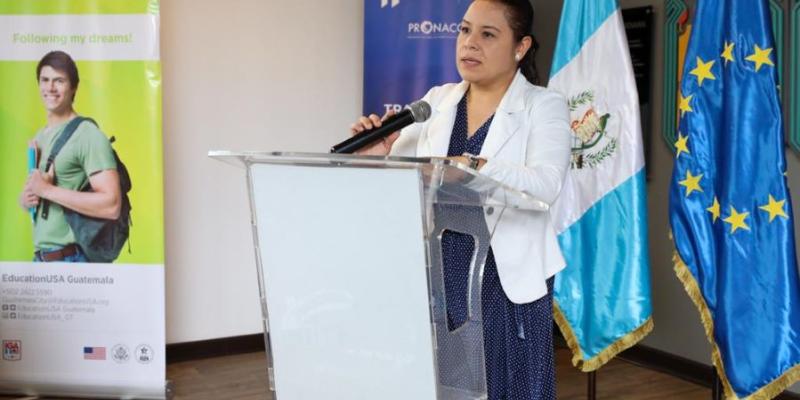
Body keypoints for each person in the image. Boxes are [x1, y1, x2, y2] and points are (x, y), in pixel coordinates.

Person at [350, 1, 571, 398]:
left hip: (502, 275)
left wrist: (471, 166)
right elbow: (404, 181)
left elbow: (546, 183)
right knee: (447, 384)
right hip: (440, 268)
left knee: (507, 386)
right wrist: (378, 156)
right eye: (465, 30)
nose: (470, 43)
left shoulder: (543, 105)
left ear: (521, 47)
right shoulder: (436, 101)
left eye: (488, 34)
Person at [18, 51, 121, 263]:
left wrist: (46, 190)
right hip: (42, 259)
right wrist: (26, 199)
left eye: (59, 81)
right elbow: (38, 197)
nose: (50, 87)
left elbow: (112, 205)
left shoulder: (87, 135)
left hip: (72, 258)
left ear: (74, 87)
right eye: (45, 80)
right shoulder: (40, 136)